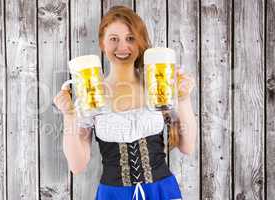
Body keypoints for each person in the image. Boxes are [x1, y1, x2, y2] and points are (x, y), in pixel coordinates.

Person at [53, 5, 196, 200]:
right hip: (113, 194)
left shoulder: (159, 87)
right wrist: (69, 115)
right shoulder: (92, 96)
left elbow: (187, 147)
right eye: (114, 39)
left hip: (162, 192)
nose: (122, 47)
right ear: (102, 44)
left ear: (139, 42)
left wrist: (184, 98)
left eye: (130, 38)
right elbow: (77, 166)